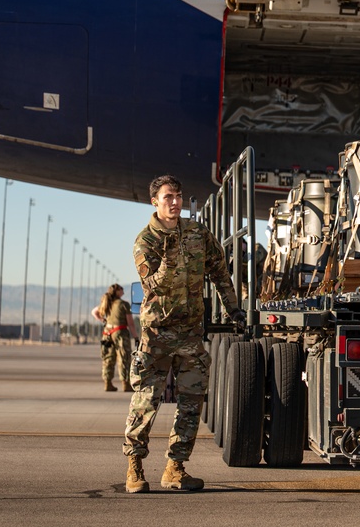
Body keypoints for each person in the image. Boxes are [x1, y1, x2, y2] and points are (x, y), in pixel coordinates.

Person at [123, 174, 245, 494]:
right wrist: (172, 251)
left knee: (191, 402)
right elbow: (154, 286)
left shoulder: (198, 234)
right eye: (168, 197)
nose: (175, 202)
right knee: (146, 401)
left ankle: (175, 468)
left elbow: (219, 270)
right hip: (157, 334)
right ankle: (135, 466)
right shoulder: (145, 242)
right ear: (155, 202)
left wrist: (233, 308)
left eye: (178, 196)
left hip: (190, 333)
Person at [91, 284, 136, 392]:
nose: (123, 291)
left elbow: (94, 312)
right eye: (121, 289)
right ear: (117, 291)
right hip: (120, 332)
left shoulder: (106, 302)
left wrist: (103, 321)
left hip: (107, 333)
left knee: (108, 358)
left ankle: (108, 383)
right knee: (124, 357)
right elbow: (130, 323)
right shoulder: (123, 304)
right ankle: (125, 384)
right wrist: (136, 337)